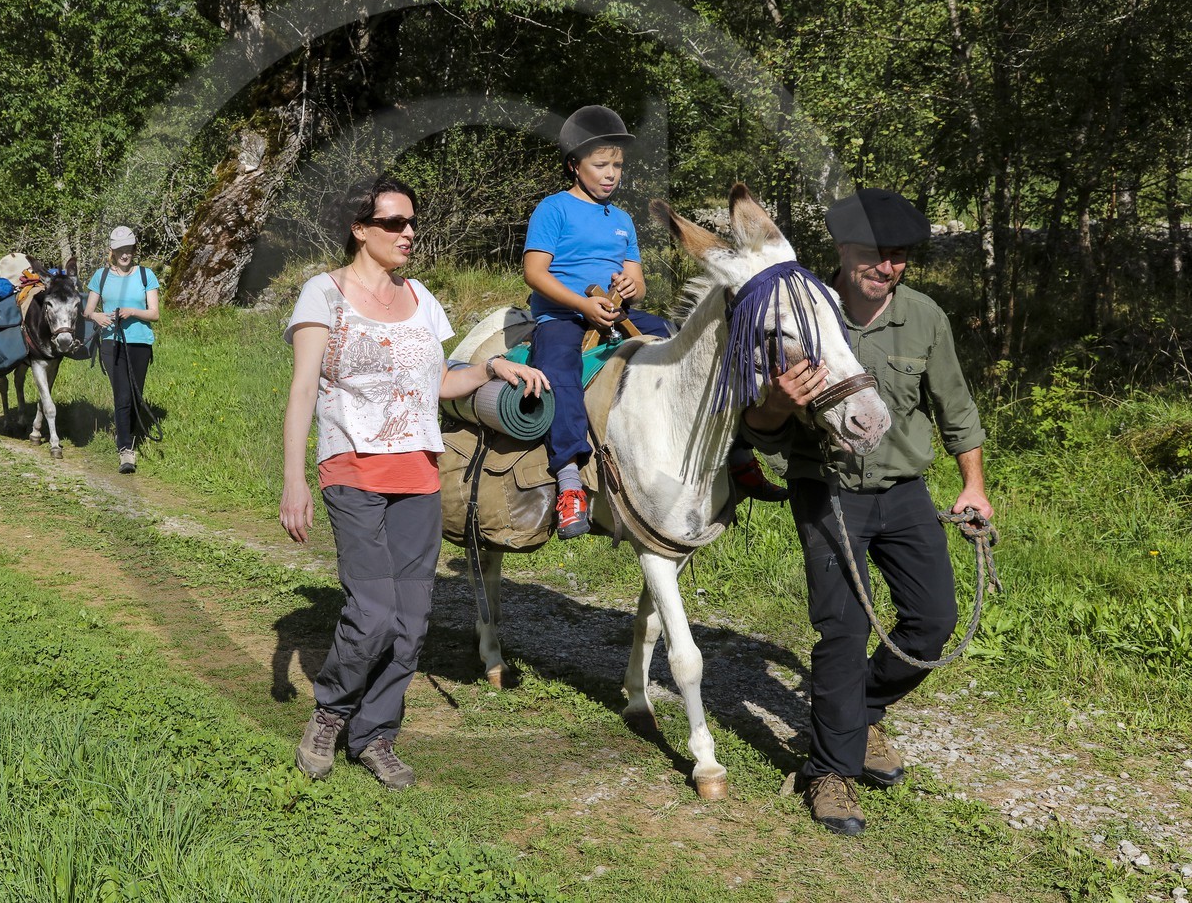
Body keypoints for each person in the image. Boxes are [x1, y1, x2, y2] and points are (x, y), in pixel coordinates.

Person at [281, 175, 548, 791]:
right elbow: (301, 392)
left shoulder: (422, 299)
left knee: (412, 617)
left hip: (419, 474)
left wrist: (489, 368)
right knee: (373, 612)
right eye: (394, 223)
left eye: (412, 222)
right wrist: (294, 481)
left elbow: (437, 381)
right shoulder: (324, 295)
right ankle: (331, 712)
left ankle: (375, 735)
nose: (409, 233)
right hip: (352, 468)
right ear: (360, 229)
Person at [740, 187, 992, 836]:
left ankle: (861, 711)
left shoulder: (924, 317)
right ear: (845, 253)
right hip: (826, 489)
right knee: (844, 631)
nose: (889, 267)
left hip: (905, 488)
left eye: (900, 257)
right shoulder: (798, 316)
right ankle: (831, 771)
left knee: (933, 621)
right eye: (877, 256)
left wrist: (974, 486)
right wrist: (777, 400)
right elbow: (760, 430)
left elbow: (956, 409)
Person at [523, 105, 785, 539]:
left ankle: (735, 452)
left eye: (618, 165)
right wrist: (582, 306)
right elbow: (535, 272)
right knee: (558, 369)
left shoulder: (622, 220)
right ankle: (569, 477)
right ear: (574, 164)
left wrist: (629, 287)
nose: (611, 174)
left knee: (683, 346)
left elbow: (640, 285)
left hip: (616, 311)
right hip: (563, 313)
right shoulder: (554, 210)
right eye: (600, 164)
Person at [85, 226, 160, 474]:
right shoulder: (101, 276)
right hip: (111, 341)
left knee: (136, 396)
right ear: (112, 252)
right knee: (122, 395)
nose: (125, 255)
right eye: (120, 250)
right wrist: (97, 317)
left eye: (128, 250)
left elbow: (154, 313)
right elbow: (88, 311)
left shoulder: (146, 275)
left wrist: (132, 312)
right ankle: (125, 449)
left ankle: (130, 433)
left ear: (134, 250)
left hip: (139, 342)